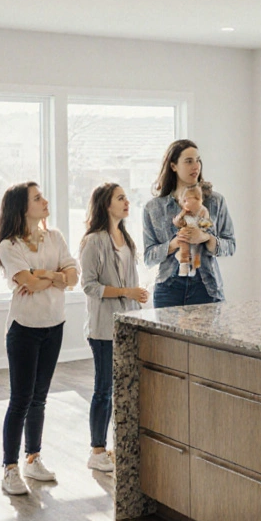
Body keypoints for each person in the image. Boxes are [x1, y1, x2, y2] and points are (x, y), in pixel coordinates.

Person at [0, 182, 78, 496]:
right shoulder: (9, 245)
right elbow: (27, 280)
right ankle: (10, 468)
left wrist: (48, 276)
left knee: (40, 398)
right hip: (24, 328)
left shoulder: (55, 237)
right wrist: (52, 275)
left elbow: (72, 277)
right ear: (22, 207)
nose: (45, 201)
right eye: (37, 198)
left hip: (54, 325)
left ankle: (33, 458)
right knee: (21, 400)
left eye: (43, 195)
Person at [79, 183, 148, 473]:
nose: (127, 202)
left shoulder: (126, 239)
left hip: (128, 324)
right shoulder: (94, 241)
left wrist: (135, 297)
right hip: (103, 328)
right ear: (107, 204)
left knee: (126, 387)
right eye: (121, 198)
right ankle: (97, 450)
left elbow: (130, 282)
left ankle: (118, 446)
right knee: (104, 388)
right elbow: (89, 286)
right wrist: (127, 292)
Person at [143, 139, 236, 306]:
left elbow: (230, 246)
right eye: (189, 161)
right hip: (168, 290)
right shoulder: (153, 207)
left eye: (198, 160)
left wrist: (207, 238)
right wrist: (174, 244)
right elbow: (148, 257)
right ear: (173, 166)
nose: (196, 166)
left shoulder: (215, 201)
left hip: (207, 288)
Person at [171, 183, 212, 277]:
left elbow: (206, 225)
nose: (183, 204)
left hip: (197, 237)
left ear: (197, 199)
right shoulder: (186, 213)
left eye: (185, 200)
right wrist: (181, 215)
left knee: (196, 254)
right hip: (186, 235)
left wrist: (201, 231)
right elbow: (177, 223)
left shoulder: (203, 211)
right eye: (182, 201)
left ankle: (193, 267)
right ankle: (183, 264)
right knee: (183, 241)